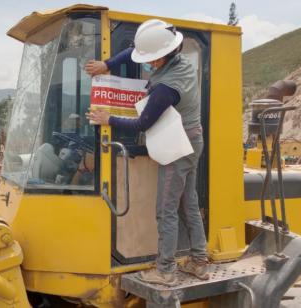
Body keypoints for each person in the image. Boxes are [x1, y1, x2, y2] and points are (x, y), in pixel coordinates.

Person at [85, 19, 209, 286]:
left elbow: (143, 123)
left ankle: (166, 271)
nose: (147, 64)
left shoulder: (167, 88)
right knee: (188, 203)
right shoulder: (175, 57)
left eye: (152, 61)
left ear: (165, 55)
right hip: (191, 139)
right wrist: (108, 64)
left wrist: (109, 120)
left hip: (179, 146)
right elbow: (135, 51)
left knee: (166, 209)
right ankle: (200, 262)